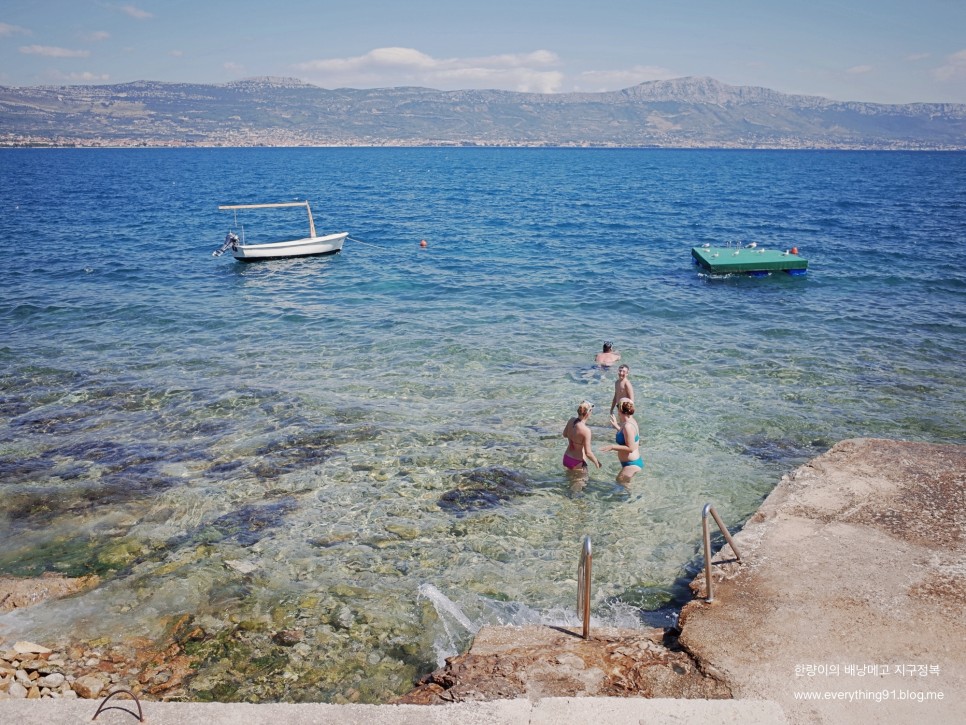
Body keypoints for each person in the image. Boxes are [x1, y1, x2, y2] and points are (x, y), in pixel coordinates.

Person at [601, 398, 643, 485]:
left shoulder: (628, 426)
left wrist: (612, 447)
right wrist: (616, 426)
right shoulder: (630, 421)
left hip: (631, 464)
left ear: (619, 409)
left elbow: (631, 448)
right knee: (623, 487)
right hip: (630, 462)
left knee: (620, 485)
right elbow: (628, 436)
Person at [562, 401, 602, 473]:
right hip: (576, 461)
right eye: (591, 410)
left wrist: (572, 441)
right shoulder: (586, 431)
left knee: (570, 480)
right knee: (581, 483)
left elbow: (564, 434)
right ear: (588, 413)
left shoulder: (571, 420)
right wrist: (596, 462)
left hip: (567, 457)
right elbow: (588, 453)